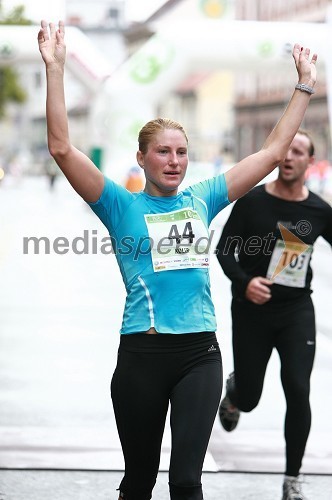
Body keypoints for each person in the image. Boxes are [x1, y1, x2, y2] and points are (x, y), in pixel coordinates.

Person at [37, 19, 317, 500]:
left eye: (181, 152)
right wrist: (56, 70)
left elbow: (272, 153)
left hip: (198, 355)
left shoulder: (203, 198)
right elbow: (62, 147)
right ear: (142, 158)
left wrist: (304, 87)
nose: (173, 160)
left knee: (187, 481)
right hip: (141, 355)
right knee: (140, 480)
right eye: (162, 152)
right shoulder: (120, 205)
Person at [216, 129, 332, 500]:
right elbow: (223, 251)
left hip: (296, 310)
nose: (290, 156)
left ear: (310, 162)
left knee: (298, 389)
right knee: (251, 397)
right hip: (252, 311)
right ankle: (234, 394)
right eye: (286, 148)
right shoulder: (252, 202)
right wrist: (244, 283)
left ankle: (292, 479)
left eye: (299, 151)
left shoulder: (318, 210)